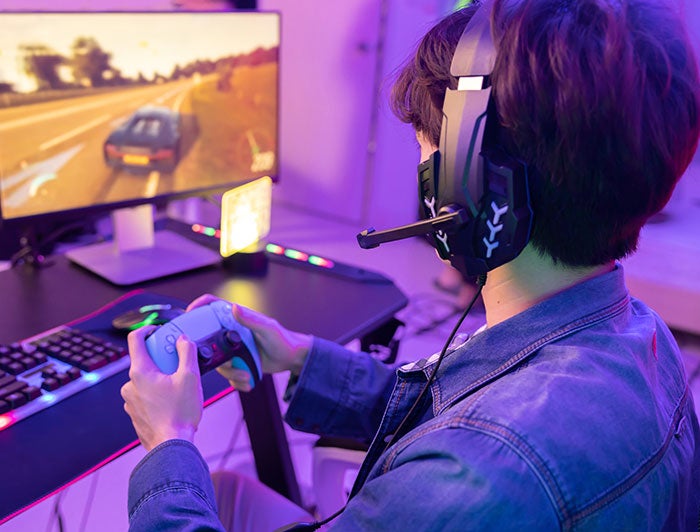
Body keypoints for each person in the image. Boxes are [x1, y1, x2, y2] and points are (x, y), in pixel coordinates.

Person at [121, 0, 700, 530]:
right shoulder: (641, 337)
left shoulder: (472, 480)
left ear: (470, 184)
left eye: (425, 145)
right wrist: (300, 356)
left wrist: (169, 441)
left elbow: (475, 446)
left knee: (196, 487)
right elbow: (464, 409)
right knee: (220, 488)